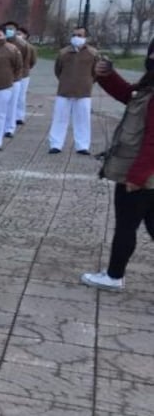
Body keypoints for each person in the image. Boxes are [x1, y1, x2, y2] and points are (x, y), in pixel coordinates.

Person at [81, 40, 154, 291]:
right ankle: (114, 274)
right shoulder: (149, 85)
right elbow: (129, 95)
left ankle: (113, 276)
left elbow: (153, 141)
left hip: (140, 174)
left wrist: (137, 176)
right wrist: (108, 75)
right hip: (142, 172)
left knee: (126, 225)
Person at [49, 27, 99, 155]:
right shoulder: (63, 53)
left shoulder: (93, 53)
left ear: (85, 37)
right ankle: (56, 144)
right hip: (64, 91)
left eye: (80, 35)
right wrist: (65, 80)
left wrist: (88, 82)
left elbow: (96, 72)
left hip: (84, 92)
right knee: (60, 118)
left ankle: (82, 146)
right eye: (75, 34)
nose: (77, 37)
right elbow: (57, 70)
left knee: (83, 119)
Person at [3, 20, 31, 138]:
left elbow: (28, 62)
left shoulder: (23, 45)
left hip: (16, 78)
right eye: (7, 29)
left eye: (12, 29)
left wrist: (19, 75)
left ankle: (10, 127)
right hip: (1, 78)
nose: (9, 31)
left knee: (14, 102)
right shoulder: (0, 42)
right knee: (1, 104)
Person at [15, 26, 37, 127]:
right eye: (17, 33)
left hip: (24, 75)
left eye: (20, 34)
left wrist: (26, 68)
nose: (18, 35)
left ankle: (19, 116)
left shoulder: (30, 48)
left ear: (25, 36)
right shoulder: (11, 45)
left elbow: (32, 61)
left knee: (21, 96)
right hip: (12, 75)